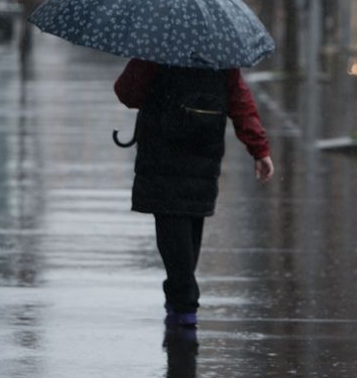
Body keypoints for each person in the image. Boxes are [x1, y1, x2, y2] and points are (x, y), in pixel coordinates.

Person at [114, 60, 274, 328]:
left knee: (173, 232)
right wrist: (259, 149)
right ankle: (182, 301)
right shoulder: (220, 55)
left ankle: (183, 303)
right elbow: (239, 100)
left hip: (162, 155)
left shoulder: (157, 49)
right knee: (188, 231)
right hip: (203, 153)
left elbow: (128, 93)